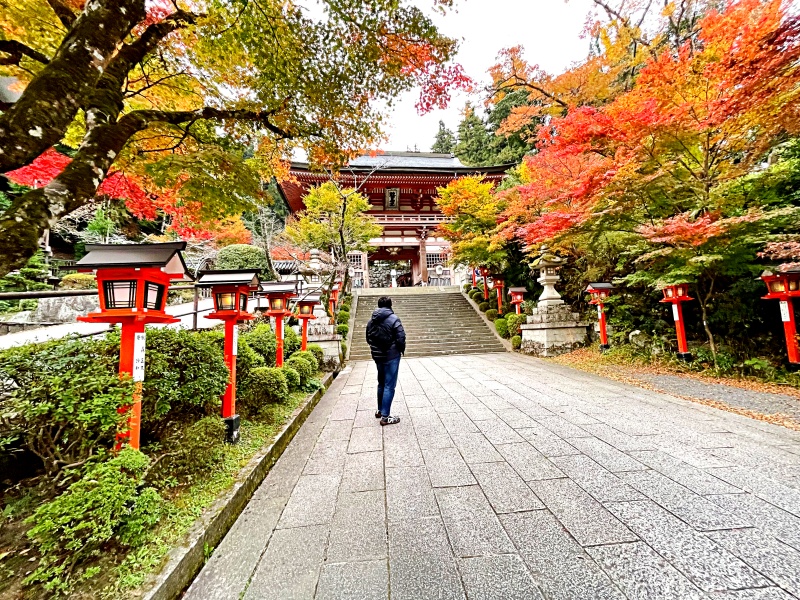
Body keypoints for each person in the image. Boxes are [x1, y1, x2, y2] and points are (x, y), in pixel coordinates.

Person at [365, 296, 406, 426]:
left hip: (377, 356)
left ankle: (379, 409)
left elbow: (368, 337)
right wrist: (400, 350)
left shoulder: (371, 321)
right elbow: (401, 337)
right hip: (391, 355)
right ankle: (385, 416)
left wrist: (375, 349)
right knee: (389, 385)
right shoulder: (394, 319)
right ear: (390, 305)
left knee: (381, 383)